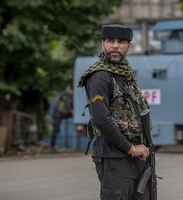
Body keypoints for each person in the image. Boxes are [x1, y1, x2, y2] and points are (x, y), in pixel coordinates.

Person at [77, 24, 150, 200]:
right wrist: (131, 149)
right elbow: (102, 120)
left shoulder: (125, 75)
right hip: (114, 157)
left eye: (121, 42)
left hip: (135, 156)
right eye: (110, 41)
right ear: (103, 44)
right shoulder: (100, 77)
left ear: (129, 46)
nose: (115, 46)